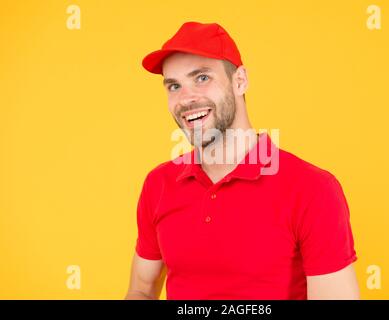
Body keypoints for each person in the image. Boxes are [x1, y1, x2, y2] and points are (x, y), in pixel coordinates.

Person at [125, 21, 359, 300]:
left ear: (240, 81)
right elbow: (141, 290)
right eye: (174, 86)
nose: (186, 99)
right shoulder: (159, 184)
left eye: (201, 78)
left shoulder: (312, 188)